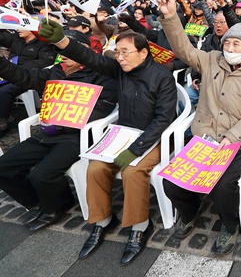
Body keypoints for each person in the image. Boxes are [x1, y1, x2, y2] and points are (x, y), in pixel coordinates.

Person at [38, 23, 178, 265]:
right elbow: (90, 58)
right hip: (121, 135)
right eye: (117, 52)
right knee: (96, 167)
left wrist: (135, 149)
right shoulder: (119, 69)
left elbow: (164, 119)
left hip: (150, 139)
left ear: (143, 53)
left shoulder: (162, 77)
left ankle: (140, 226)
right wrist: (62, 42)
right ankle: (103, 220)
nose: (119, 57)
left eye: (125, 52)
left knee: (133, 170)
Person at [156, 0, 241, 255]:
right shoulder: (210, 60)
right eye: (227, 43)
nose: (229, 49)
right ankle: (189, 211)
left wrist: (232, 136)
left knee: (223, 186)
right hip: (204, 139)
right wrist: (171, 16)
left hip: (234, 144)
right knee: (171, 183)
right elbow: (182, 48)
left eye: (236, 45)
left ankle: (229, 225)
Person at [0, 31, 118, 231]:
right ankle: (42, 201)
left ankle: (53, 208)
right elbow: (24, 77)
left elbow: (102, 110)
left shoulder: (102, 76)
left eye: (68, 50)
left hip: (77, 137)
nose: (62, 55)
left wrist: (63, 121)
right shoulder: (56, 71)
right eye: (60, 51)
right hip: (46, 134)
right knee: (4, 168)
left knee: (40, 175)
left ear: (83, 52)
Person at [0, 29, 56, 131]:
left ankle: (3, 120)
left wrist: (19, 66)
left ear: (32, 30)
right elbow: (2, 37)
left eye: (22, 27)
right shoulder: (16, 38)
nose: (18, 29)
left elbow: (46, 61)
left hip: (28, 76)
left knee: (4, 91)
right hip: (8, 72)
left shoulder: (44, 44)